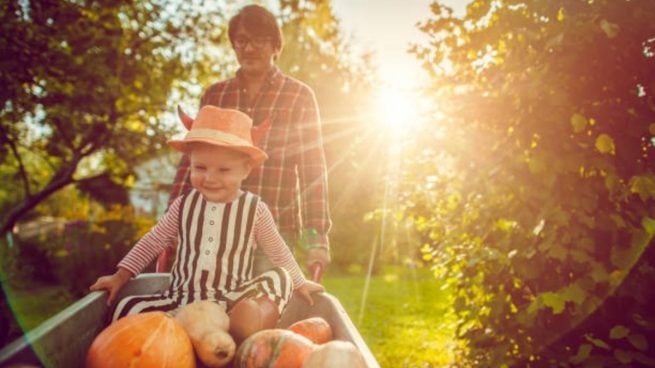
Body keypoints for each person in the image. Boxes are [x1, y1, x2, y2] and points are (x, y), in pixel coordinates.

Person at [90, 106, 324, 342]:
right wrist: (120, 277)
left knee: (280, 277)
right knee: (126, 307)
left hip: (231, 301)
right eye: (200, 167)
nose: (210, 178)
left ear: (246, 170)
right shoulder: (183, 205)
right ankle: (172, 337)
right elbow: (153, 240)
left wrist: (299, 281)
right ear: (190, 163)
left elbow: (278, 250)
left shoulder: (255, 210)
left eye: (223, 170)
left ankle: (248, 329)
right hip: (180, 301)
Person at [158, 4, 331, 280]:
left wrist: (317, 235)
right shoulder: (216, 95)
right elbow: (192, 161)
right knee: (210, 306)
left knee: (265, 308)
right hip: (215, 223)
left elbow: (312, 167)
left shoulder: (298, 96)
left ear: (275, 45)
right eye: (242, 41)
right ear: (234, 46)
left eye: (259, 40)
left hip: (274, 224)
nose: (249, 49)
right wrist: (172, 222)